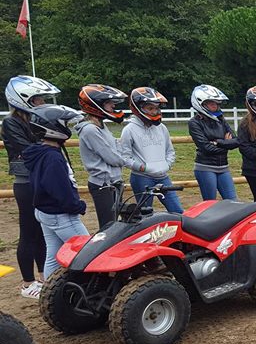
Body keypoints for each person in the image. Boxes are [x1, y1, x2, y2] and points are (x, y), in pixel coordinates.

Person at [3, 76, 57, 297]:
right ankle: (27, 282)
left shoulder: (34, 120)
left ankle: (42, 276)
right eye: (37, 99)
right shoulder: (11, 123)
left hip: (40, 179)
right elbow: (30, 149)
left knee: (42, 230)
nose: (42, 103)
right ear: (23, 99)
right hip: (25, 182)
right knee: (28, 232)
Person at [22, 105, 89, 280]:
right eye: (65, 124)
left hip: (45, 211)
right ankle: (90, 291)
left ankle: (48, 290)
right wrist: (77, 206)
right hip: (60, 214)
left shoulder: (41, 152)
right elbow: (59, 189)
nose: (68, 128)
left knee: (53, 254)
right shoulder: (53, 157)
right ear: (53, 128)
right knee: (88, 251)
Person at [121, 87, 182, 213]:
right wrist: (141, 167)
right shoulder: (129, 130)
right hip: (142, 177)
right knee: (145, 213)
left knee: (177, 211)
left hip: (163, 176)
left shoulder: (162, 128)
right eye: (150, 108)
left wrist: (167, 165)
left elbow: (170, 150)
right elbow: (124, 157)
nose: (155, 112)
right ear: (138, 108)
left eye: (157, 108)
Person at [76, 84, 128, 229]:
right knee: (108, 226)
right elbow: (112, 157)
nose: (113, 105)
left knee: (116, 224)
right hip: (103, 184)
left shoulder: (101, 126)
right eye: (108, 102)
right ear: (96, 105)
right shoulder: (90, 130)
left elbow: (116, 148)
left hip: (113, 181)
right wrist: (125, 160)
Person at [189, 84, 239, 201]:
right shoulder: (194, 122)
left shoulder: (220, 119)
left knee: (233, 202)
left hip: (224, 167)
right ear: (201, 104)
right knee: (210, 203)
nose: (215, 106)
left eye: (217, 103)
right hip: (205, 167)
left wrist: (217, 142)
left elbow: (236, 141)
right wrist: (226, 143)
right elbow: (206, 147)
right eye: (211, 103)